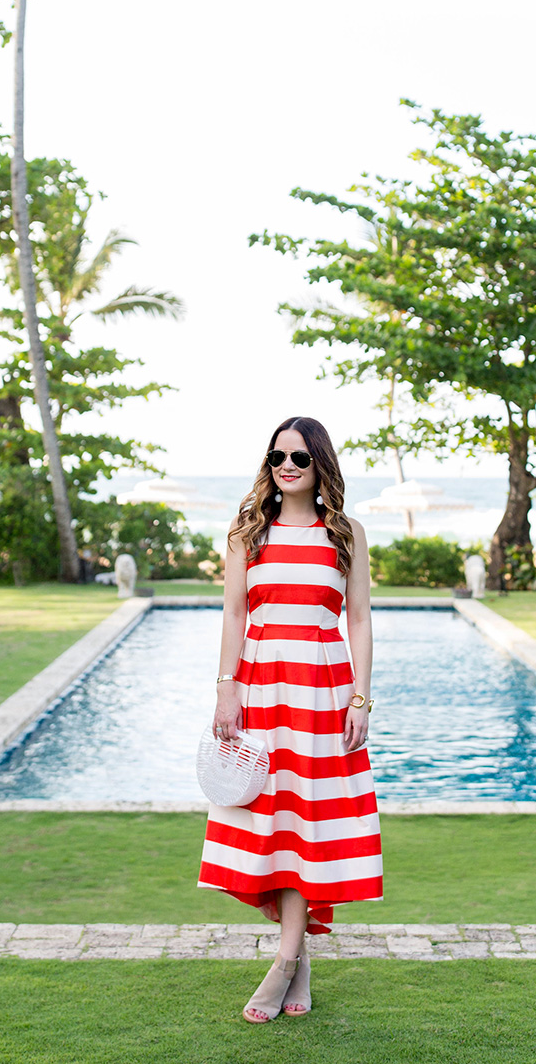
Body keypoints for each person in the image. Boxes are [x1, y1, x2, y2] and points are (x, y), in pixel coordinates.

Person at [198, 415, 383, 1023]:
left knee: (308, 822)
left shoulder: (346, 533)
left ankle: (282, 963)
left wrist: (360, 698)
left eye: (300, 458)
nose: (286, 467)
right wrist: (226, 690)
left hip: (322, 695)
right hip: (260, 690)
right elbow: (231, 616)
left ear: (319, 464)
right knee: (271, 822)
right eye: (277, 456)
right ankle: (295, 959)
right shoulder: (246, 533)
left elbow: (358, 620)